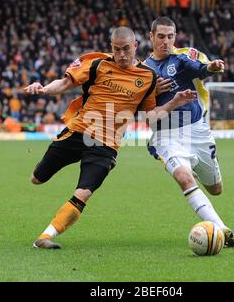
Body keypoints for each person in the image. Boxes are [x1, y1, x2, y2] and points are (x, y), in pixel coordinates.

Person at [22, 26, 196, 249]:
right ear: (111, 47)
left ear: (135, 46)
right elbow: (64, 84)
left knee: (83, 193)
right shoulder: (97, 63)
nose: (122, 55)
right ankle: (42, 168)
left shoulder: (148, 76)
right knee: (38, 178)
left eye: (126, 49)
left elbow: (150, 117)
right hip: (77, 132)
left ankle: (45, 237)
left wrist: (175, 102)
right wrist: (43, 89)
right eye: (116, 49)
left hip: (106, 146)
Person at [144, 17, 234, 247]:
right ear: (151, 36)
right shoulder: (143, 71)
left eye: (170, 36)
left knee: (216, 189)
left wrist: (211, 67)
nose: (165, 41)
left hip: (197, 132)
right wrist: (155, 92)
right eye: (160, 36)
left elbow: (201, 69)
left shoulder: (181, 59)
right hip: (166, 136)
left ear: (175, 37)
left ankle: (192, 166)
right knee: (184, 178)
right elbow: (147, 116)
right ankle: (222, 230)